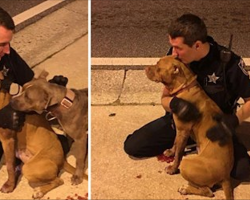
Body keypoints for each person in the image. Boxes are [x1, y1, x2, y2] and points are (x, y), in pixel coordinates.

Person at [124, 13, 250, 180]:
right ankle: (187, 140)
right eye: (172, 47)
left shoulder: (229, 64)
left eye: (178, 48)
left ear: (197, 45)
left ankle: (194, 141)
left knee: (243, 171)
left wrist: (234, 121)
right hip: (180, 123)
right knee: (133, 146)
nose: (174, 53)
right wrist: (175, 104)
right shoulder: (176, 58)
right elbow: (164, 99)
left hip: (214, 128)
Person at [0, 7, 70, 158]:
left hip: (13, 120)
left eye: (8, 44)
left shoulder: (8, 55)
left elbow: (28, 83)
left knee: (59, 146)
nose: (7, 50)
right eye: (1, 44)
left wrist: (49, 92)